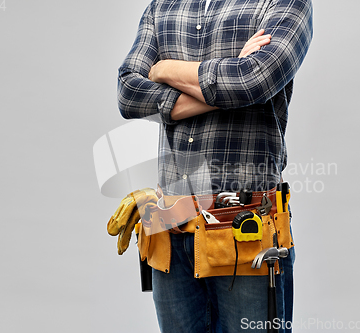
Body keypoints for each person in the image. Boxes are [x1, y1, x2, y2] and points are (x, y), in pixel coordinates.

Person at [117, 0, 313, 332]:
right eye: (164, 67)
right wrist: (229, 71)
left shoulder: (283, 4)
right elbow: (128, 93)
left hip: (245, 232)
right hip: (171, 227)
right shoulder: (162, 7)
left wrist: (163, 69)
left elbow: (252, 81)